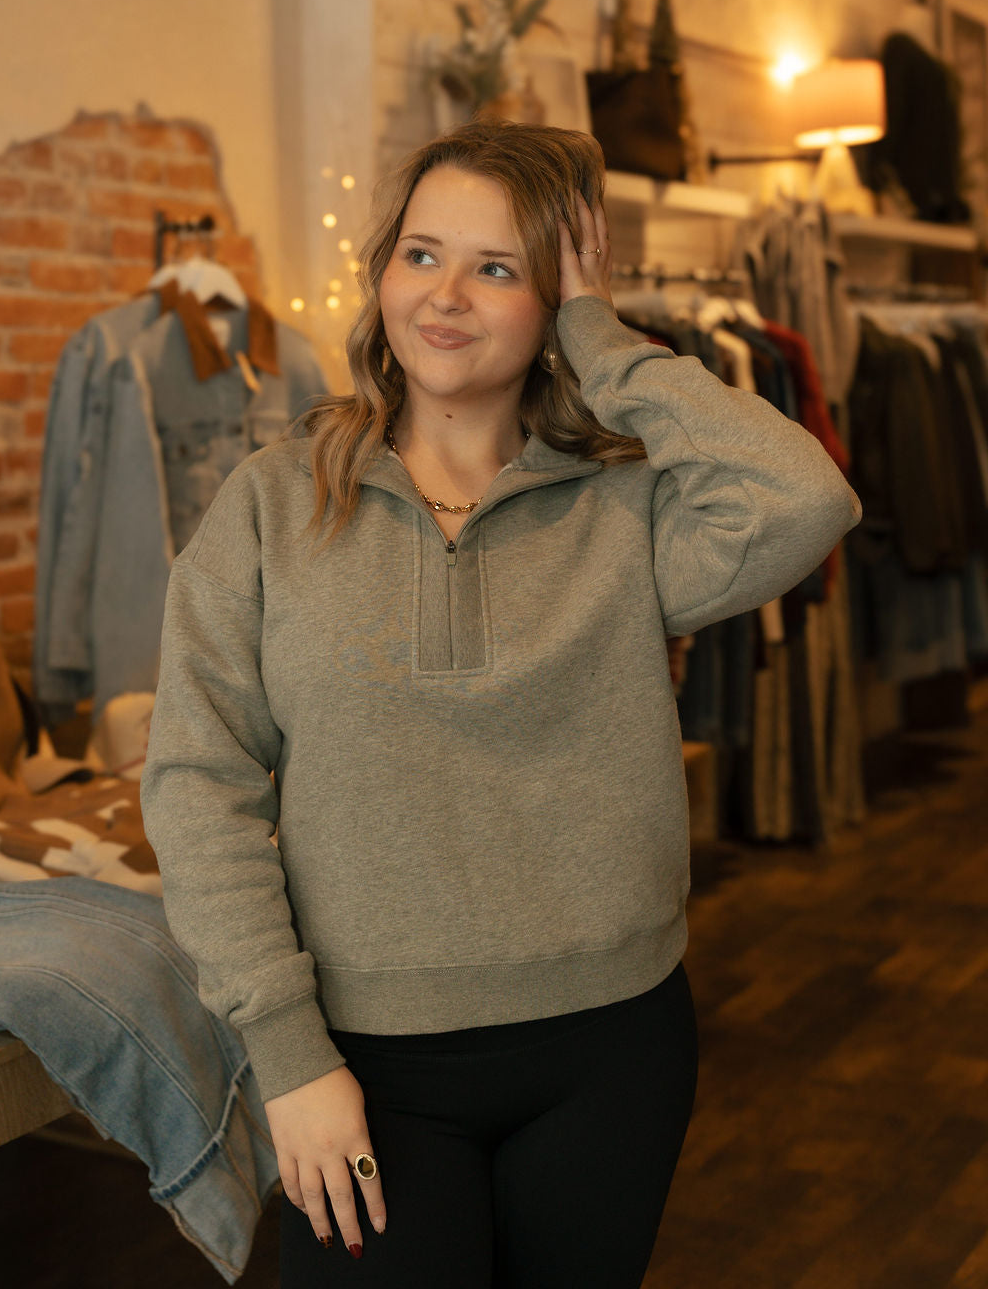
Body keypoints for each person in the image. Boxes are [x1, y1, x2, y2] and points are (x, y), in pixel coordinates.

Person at [141, 120, 861, 1287]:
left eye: (497, 268)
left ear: (554, 303)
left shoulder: (626, 506)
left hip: (610, 1045)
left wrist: (603, 337)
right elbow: (198, 783)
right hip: (361, 1059)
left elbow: (805, 496)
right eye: (421, 254)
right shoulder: (274, 503)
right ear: (381, 272)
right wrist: (288, 1055)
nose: (445, 296)